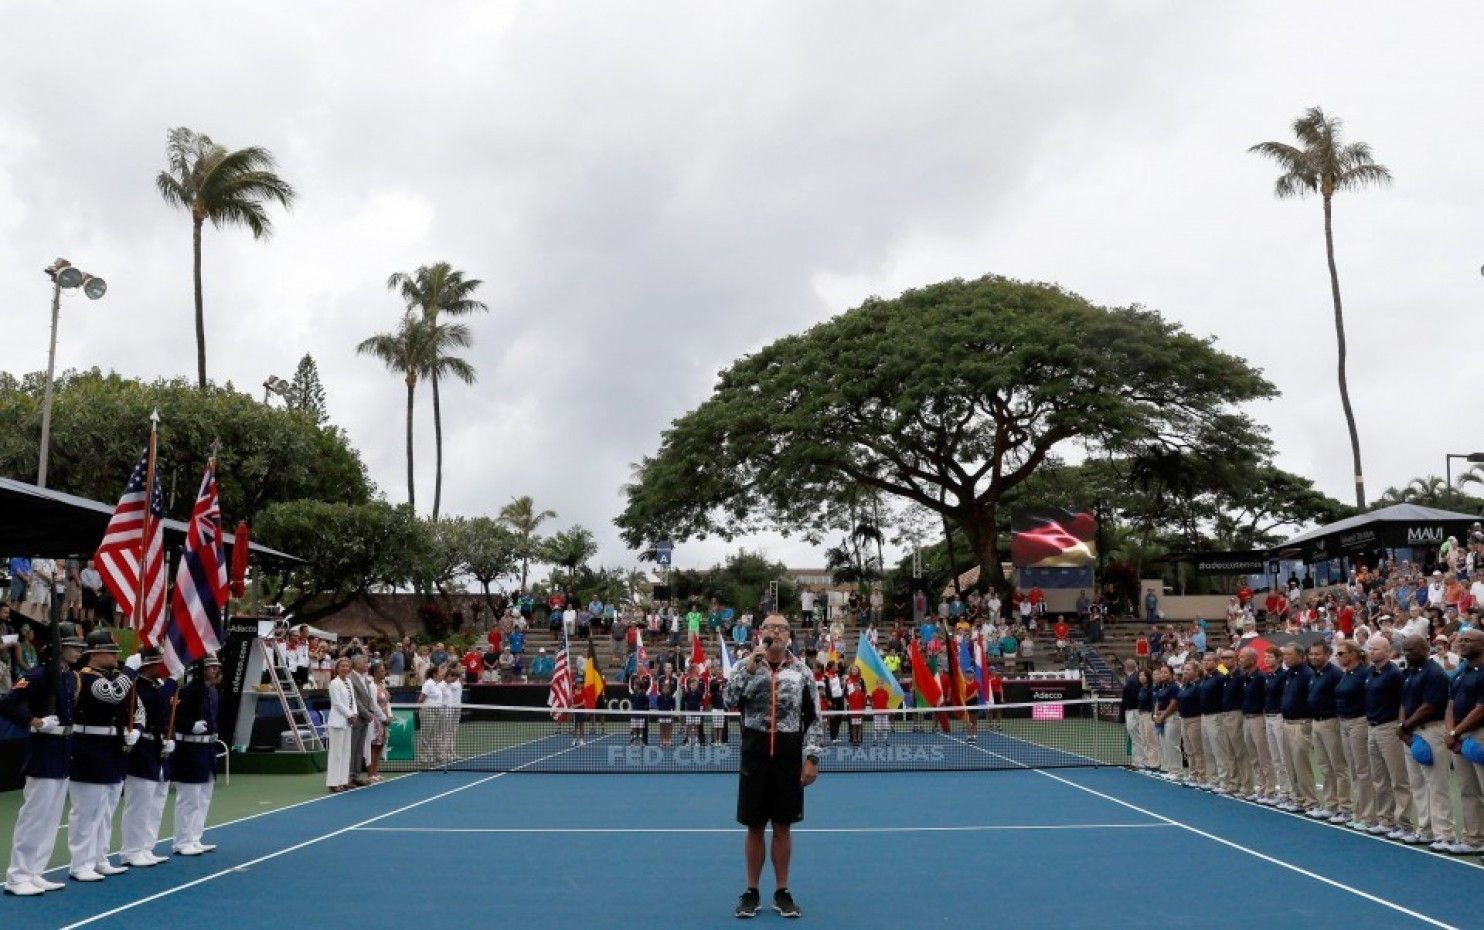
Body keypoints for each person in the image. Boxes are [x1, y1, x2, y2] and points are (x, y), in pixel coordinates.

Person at [723, 615, 823, 919]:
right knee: (754, 826)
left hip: (788, 758)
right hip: (754, 757)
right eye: (770, 627)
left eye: (782, 628)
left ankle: (782, 892)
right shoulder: (745, 666)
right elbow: (728, 700)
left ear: (789, 635)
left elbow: (814, 718)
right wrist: (748, 669)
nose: (775, 632)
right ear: (760, 633)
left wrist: (812, 758)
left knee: (782, 826)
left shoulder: (802, 672)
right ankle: (751, 892)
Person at [1, 626, 84, 895]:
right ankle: (18, 876)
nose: (78, 651)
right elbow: (7, 703)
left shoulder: (68, 676)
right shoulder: (39, 674)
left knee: (51, 818)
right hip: (44, 750)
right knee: (35, 817)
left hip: (62, 750)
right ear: (58, 647)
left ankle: (35, 871)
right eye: (73, 646)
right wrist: (34, 721)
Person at [67, 630, 135, 881]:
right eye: (110, 652)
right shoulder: (87, 677)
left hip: (111, 747)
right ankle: (80, 863)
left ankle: (99, 858)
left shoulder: (112, 676)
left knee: (106, 810)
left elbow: (130, 704)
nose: (116, 657)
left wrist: (134, 729)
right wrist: (130, 671)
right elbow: (113, 694)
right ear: (94, 654)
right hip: (90, 748)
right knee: (87, 810)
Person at [120, 646, 176, 867]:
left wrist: (171, 738)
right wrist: (172, 681)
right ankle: (131, 850)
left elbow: (167, 713)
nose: (164, 667)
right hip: (142, 747)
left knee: (156, 802)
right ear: (148, 666)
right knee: (139, 803)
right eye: (159, 663)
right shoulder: (137, 686)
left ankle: (146, 847)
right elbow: (156, 702)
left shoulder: (157, 685)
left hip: (159, 746)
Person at [171, 653, 223, 856]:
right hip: (190, 748)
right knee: (189, 798)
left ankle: (195, 837)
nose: (216, 670)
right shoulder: (187, 691)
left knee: (204, 797)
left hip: (208, 748)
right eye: (211, 667)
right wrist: (189, 726)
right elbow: (175, 716)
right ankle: (182, 841)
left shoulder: (212, 691)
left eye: (216, 667)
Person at [1442, 627, 1484, 854]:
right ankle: (1474, 839)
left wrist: (1455, 733)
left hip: (1479, 734)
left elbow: (1481, 709)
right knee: (1468, 790)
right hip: (1459, 735)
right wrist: (1452, 733)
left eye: (1469, 640)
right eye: (1461, 640)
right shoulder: (1461, 672)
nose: (1462, 643)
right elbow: (1450, 704)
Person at [1332, 639, 1374, 831]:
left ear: (1353, 654)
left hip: (1358, 721)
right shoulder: (1346, 674)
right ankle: (1359, 812)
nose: (1338, 657)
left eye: (1341, 653)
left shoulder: (1364, 674)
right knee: (1354, 769)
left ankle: (1368, 815)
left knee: (1363, 770)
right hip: (1345, 722)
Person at [1305, 641, 1349, 823]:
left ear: (1328, 654)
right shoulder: (1315, 674)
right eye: (1311, 654)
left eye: (1317, 654)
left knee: (1338, 766)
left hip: (1331, 722)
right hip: (1316, 722)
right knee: (1324, 767)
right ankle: (1331, 805)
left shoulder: (1335, 674)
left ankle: (1345, 808)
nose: (1313, 657)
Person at [1278, 644, 1317, 813]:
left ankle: (1310, 801)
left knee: (1301, 765)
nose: (1285, 657)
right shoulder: (1289, 674)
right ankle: (1298, 798)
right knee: (1290, 764)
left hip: (1301, 722)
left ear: (1301, 656)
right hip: (1287, 722)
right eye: (1284, 654)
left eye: (1289, 654)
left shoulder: (1307, 674)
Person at [326, 658, 357, 791]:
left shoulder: (349, 682)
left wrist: (354, 713)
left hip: (348, 722)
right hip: (337, 722)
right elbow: (336, 703)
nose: (345, 668)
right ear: (337, 669)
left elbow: (353, 700)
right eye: (342, 666)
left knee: (346, 752)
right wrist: (350, 715)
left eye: (347, 666)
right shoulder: (334, 683)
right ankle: (333, 783)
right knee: (336, 753)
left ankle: (343, 780)